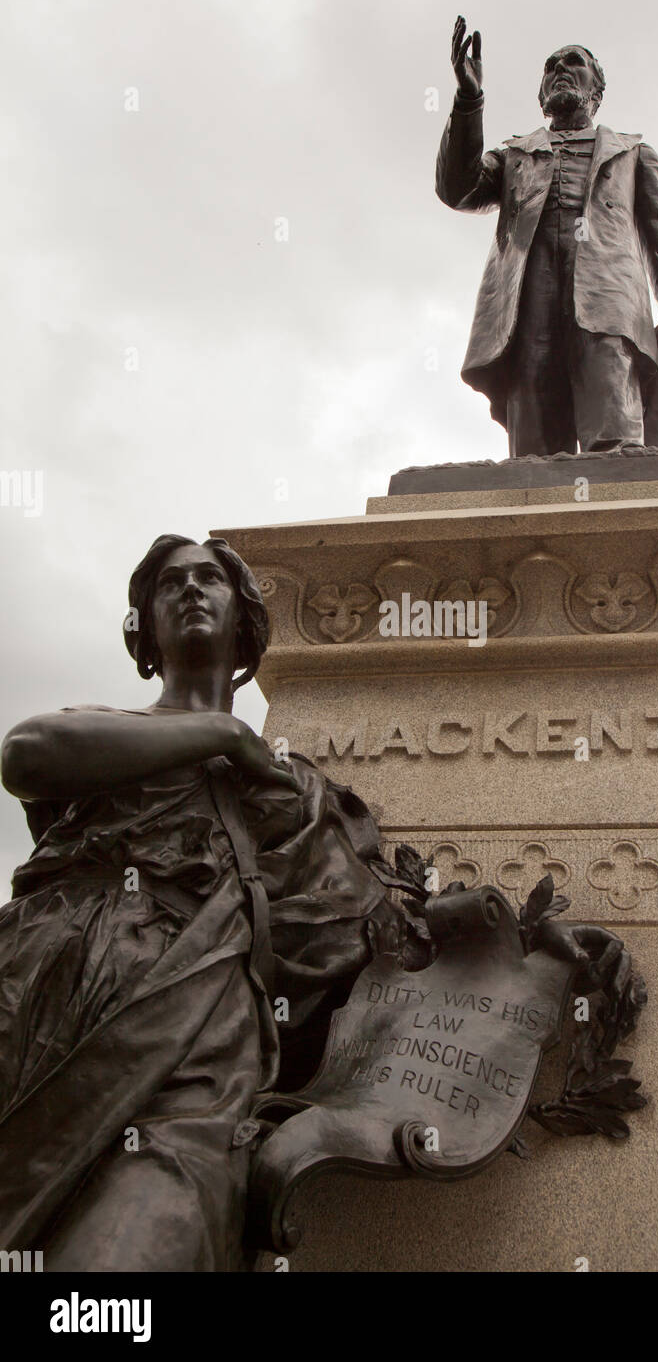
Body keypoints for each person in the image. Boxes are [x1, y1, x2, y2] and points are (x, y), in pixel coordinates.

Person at [0, 534, 402, 1271]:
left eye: (209, 579)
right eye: (170, 584)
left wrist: (496, 936)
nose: (190, 590)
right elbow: (24, 754)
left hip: (198, 1046)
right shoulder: (104, 731)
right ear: (145, 629)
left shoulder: (294, 792)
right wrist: (221, 734)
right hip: (41, 1002)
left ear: (244, 622)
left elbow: (364, 935)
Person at [436, 19, 658, 456]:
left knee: (615, 438)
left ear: (596, 90)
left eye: (573, 62)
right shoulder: (513, 156)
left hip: (608, 296)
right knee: (534, 450)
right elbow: (456, 188)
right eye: (550, 66)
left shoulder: (633, 153)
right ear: (542, 96)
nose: (560, 68)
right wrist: (469, 100)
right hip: (528, 299)